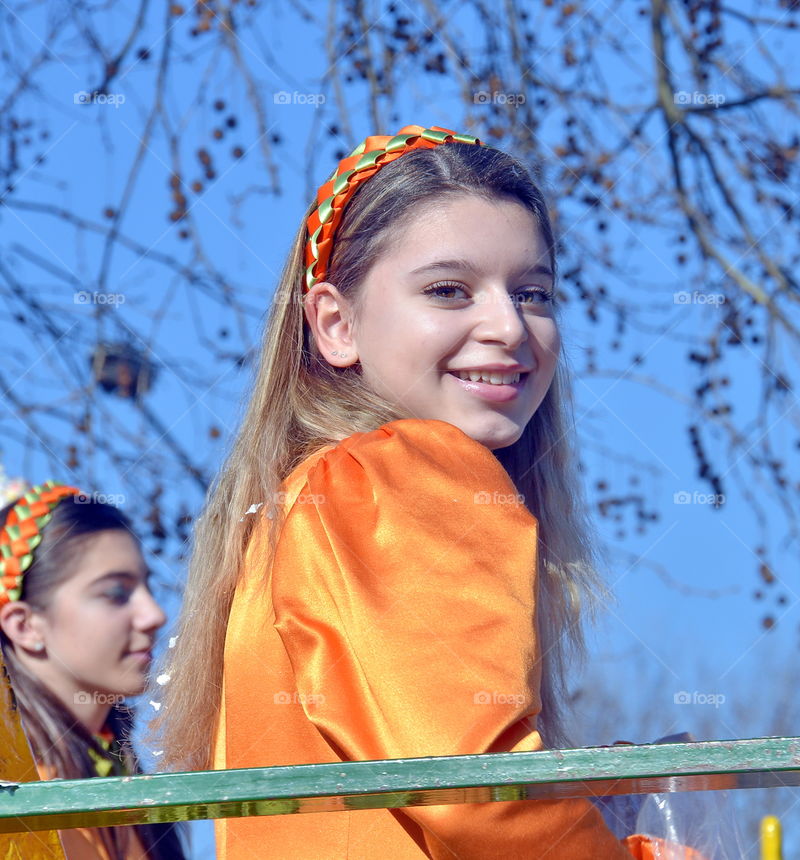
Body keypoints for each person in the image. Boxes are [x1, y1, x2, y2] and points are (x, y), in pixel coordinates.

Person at [157, 124, 703, 859]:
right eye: (449, 290)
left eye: (533, 293)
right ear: (335, 323)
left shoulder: (307, 499)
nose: (508, 325)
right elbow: (479, 789)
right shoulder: (396, 474)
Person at [0, 481, 186, 860]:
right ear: (24, 625)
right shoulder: (12, 792)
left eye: (146, 587)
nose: (155, 615)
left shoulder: (134, 792)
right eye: (116, 593)